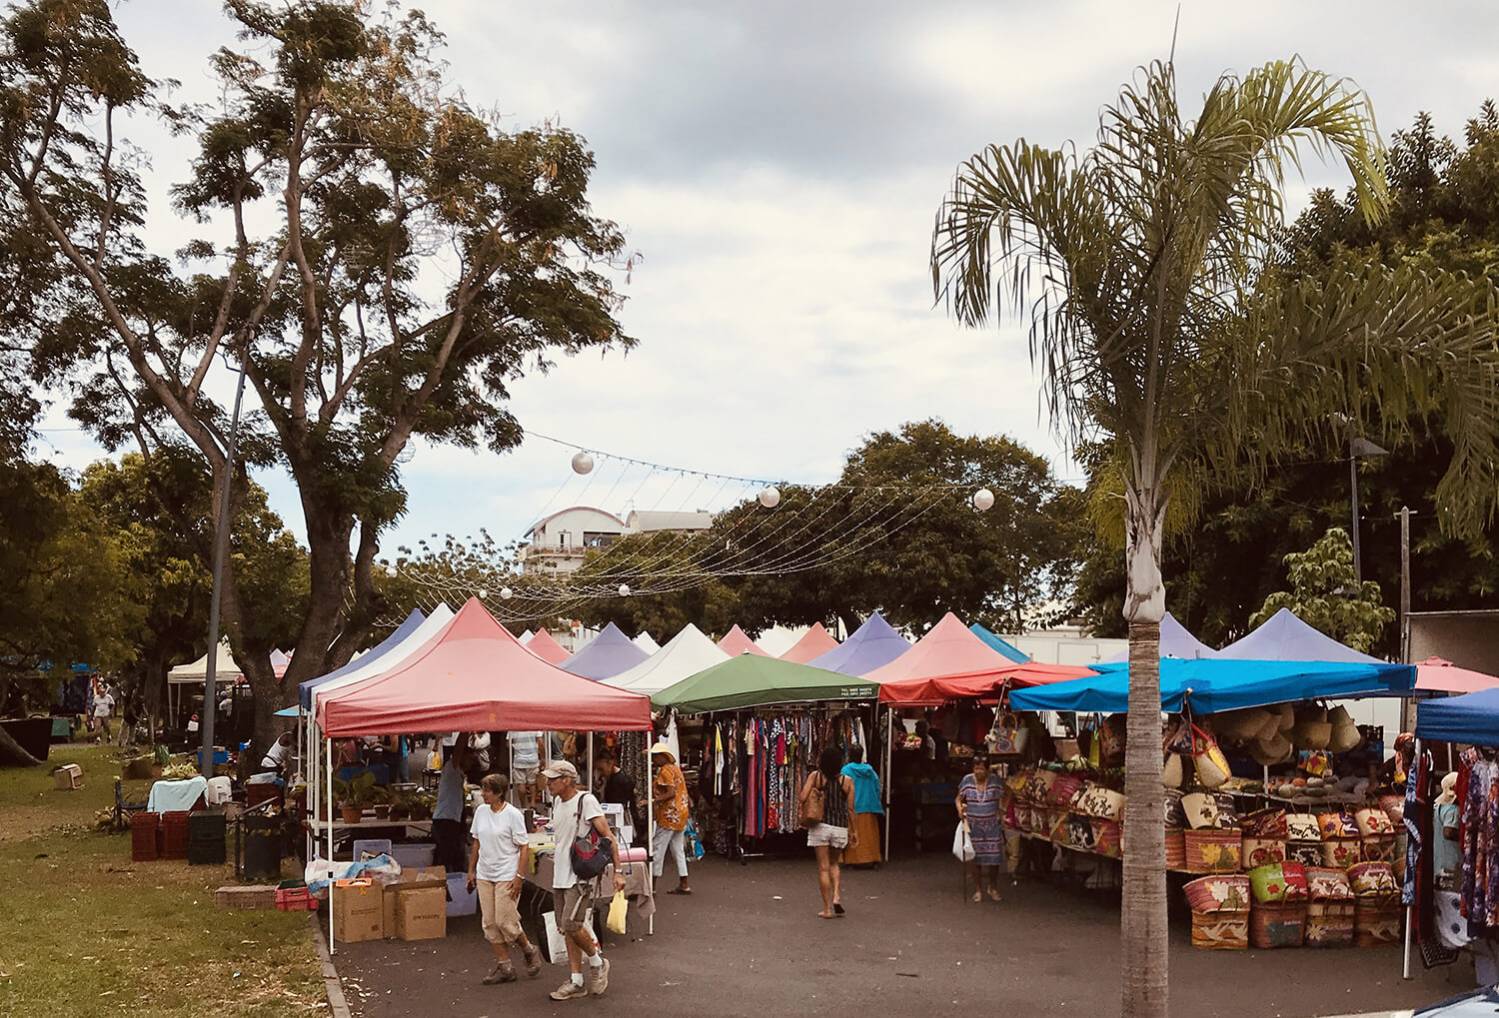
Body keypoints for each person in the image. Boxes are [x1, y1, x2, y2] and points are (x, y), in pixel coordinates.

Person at [544, 760, 625, 1001]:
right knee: (566, 928)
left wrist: (618, 870)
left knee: (571, 924)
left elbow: (608, 836)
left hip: (579, 874)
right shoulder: (558, 802)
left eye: (552, 779)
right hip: (560, 873)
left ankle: (598, 962)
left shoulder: (586, 801)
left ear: (567, 779)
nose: (548, 783)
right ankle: (576, 979)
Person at [466, 774, 543, 985]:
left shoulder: (513, 815)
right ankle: (505, 965)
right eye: (483, 789)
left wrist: (519, 876)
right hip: (485, 872)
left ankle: (528, 948)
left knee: (505, 920)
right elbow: (476, 843)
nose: (483, 794)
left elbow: (523, 846)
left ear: (499, 792)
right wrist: (471, 870)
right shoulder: (481, 812)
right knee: (489, 923)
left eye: (487, 790)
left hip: (506, 873)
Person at [799, 745, 856, 919]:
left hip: (820, 826)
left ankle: (827, 909)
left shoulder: (815, 776)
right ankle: (837, 896)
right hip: (840, 827)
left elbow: (802, 797)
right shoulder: (847, 781)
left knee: (823, 868)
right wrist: (854, 831)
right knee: (834, 864)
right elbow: (851, 809)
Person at [956, 754, 1005, 903]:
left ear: (988, 770)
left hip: (992, 824)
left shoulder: (996, 781)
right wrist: (960, 810)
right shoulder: (967, 780)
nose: (978, 772)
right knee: (974, 858)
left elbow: (1008, 793)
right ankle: (978, 889)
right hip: (973, 824)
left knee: (994, 858)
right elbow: (958, 798)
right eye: (976, 769)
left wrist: (1002, 810)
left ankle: (993, 887)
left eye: (982, 769)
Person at [649, 742, 692, 895]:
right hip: (681, 814)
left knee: (657, 849)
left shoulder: (665, 771)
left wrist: (653, 801)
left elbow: (671, 793)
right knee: (678, 849)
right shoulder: (676, 769)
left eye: (655, 756)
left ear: (662, 757)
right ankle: (684, 882)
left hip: (669, 815)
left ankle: (652, 886)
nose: (653, 759)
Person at [432, 734, 474, 873]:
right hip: (445, 821)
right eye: (469, 759)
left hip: (453, 820)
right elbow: (458, 749)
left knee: (456, 857)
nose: (471, 763)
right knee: (448, 859)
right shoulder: (452, 767)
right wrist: (465, 731)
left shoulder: (459, 772)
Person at [840, 745, 883, 867]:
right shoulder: (870, 771)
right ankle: (872, 857)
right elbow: (877, 786)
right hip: (869, 805)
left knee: (854, 832)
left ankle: (853, 859)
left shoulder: (846, 770)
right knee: (870, 834)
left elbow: (842, 787)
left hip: (854, 806)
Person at [593, 749, 640, 842]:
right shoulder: (610, 778)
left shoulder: (622, 779)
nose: (601, 772)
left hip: (622, 816)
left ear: (610, 763)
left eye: (601, 769)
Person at [510, 731, 541, 808]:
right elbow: (540, 741)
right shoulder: (535, 726)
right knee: (532, 783)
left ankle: (523, 806)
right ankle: (533, 803)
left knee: (520, 783)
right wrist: (543, 757)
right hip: (533, 758)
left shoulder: (513, 727)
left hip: (518, 759)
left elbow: (508, 744)